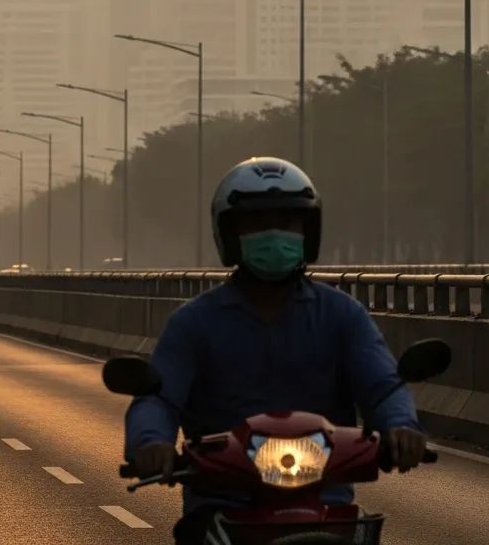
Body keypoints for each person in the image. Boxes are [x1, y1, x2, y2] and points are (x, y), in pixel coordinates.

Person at [124, 157, 427, 545]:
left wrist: (401, 427)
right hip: (223, 510)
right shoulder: (193, 324)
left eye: (286, 223)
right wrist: (152, 442)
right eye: (257, 224)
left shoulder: (342, 315)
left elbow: (383, 385)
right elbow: (160, 398)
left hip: (326, 505)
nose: (273, 234)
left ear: (308, 231)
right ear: (229, 234)